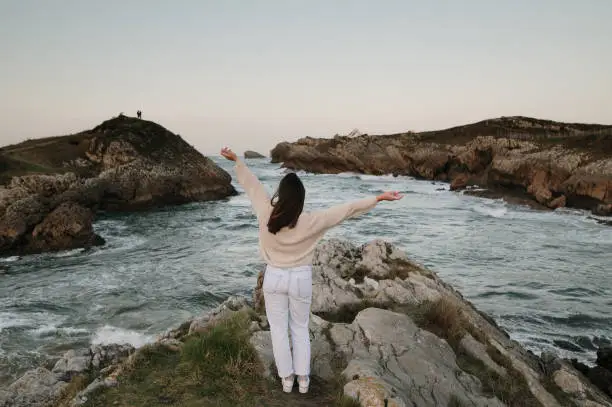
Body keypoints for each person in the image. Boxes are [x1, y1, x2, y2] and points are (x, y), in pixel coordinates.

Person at [220, 147, 403, 394]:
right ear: (301, 200)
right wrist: (378, 198)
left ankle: (287, 381)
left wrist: (237, 162)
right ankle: (303, 381)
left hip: (274, 277)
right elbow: (346, 210)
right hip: (300, 279)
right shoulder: (311, 221)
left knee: (278, 331)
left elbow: (252, 186)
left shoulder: (265, 213)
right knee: (299, 328)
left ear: (280, 195)